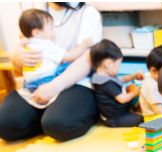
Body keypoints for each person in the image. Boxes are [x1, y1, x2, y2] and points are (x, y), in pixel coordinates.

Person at [0, 2, 102, 142]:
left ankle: (58, 117)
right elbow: (23, 49)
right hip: (35, 86)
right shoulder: (34, 13)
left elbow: (88, 58)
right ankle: (48, 118)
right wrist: (16, 58)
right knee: (5, 125)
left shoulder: (87, 13)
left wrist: (56, 85)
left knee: (58, 125)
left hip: (74, 81)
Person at [18, 8, 92, 93]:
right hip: (45, 80)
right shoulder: (46, 45)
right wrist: (84, 46)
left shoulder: (28, 43)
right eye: (51, 28)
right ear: (36, 33)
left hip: (29, 84)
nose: (54, 31)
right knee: (72, 65)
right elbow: (70, 56)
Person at [90, 39, 144, 128]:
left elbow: (120, 79)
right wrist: (136, 92)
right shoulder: (105, 83)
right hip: (115, 119)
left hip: (119, 112)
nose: (119, 68)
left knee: (135, 108)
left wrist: (134, 76)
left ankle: (132, 111)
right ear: (109, 64)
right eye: (119, 64)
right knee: (141, 119)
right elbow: (122, 99)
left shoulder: (103, 76)